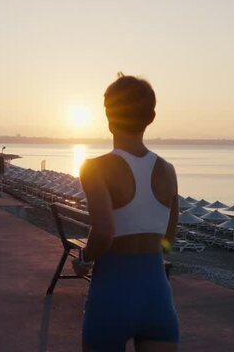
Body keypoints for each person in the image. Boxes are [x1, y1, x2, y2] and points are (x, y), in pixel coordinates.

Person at [73, 74, 180, 352]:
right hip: (157, 295)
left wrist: (83, 257)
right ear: (152, 117)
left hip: (112, 293)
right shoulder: (168, 171)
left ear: (108, 116)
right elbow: (169, 238)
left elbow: (105, 233)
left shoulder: (94, 168)